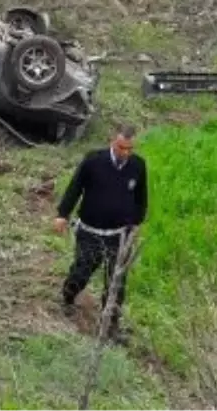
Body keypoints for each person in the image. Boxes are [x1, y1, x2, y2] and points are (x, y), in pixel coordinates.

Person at [53, 123, 148, 342]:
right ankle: (68, 298)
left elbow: (141, 198)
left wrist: (136, 222)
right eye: (121, 147)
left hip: (120, 235)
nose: (125, 153)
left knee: (116, 283)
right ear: (112, 142)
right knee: (81, 272)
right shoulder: (93, 161)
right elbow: (75, 187)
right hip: (91, 232)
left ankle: (110, 326)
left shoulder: (138, 166)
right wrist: (62, 214)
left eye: (129, 149)